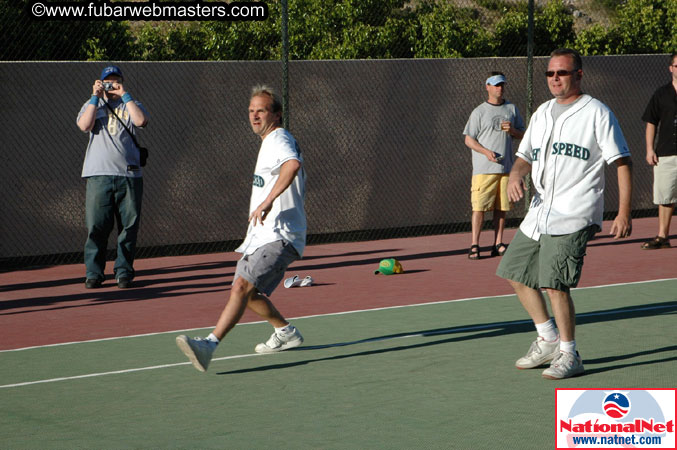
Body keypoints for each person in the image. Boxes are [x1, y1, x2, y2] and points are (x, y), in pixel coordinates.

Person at [496, 48, 633, 380]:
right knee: (515, 272)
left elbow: (622, 162)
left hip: (575, 212)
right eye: (550, 73)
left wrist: (624, 212)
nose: (555, 78)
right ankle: (548, 339)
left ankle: (570, 355)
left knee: (555, 284)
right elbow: (526, 155)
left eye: (562, 73)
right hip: (539, 211)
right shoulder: (542, 112)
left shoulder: (597, 113)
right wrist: (516, 175)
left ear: (579, 75)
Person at [176, 85, 307, 373]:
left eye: (261, 110)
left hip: (280, 234)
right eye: (251, 111)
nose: (255, 115)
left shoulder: (279, 138)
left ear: (277, 114)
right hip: (263, 235)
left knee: (241, 287)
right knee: (247, 293)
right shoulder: (268, 143)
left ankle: (209, 344)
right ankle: (285, 332)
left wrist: (269, 201)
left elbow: (292, 164)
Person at [76, 66, 149, 289]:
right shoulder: (93, 105)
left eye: (115, 80)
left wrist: (124, 94)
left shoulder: (132, 103)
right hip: (99, 175)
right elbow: (84, 125)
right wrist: (94, 97)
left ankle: (124, 271)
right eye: (106, 81)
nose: (111, 84)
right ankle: (94, 273)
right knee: (96, 226)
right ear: (100, 83)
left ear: (121, 81)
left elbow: (140, 121)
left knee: (129, 227)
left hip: (129, 175)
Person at [463, 72, 525, 260]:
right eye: (496, 85)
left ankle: (498, 243)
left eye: (502, 85)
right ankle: (475, 245)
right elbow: (468, 139)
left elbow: (523, 134)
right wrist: (485, 152)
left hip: (505, 169)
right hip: (484, 170)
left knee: (501, 209)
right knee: (479, 207)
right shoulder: (479, 112)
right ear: (487, 87)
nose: (500, 88)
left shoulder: (511, 109)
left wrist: (513, 131)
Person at [640, 51, 677, 250]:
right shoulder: (661, 94)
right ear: (671, 68)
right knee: (665, 197)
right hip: (666, 153)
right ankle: (663, 236)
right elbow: (651, 122)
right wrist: (649, 149)